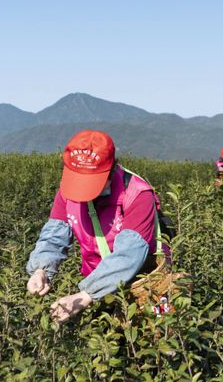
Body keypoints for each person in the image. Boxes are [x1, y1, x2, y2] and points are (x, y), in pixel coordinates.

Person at [25, 130, 168, 323]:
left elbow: (129, 255)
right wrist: (40, 270)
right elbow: (53, 236)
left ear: (110, 173)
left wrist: (83, 297)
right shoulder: (67, 191)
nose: (81, 193)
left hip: (145, 284)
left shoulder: (137, 194)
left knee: (155, 339)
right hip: (96, 284)